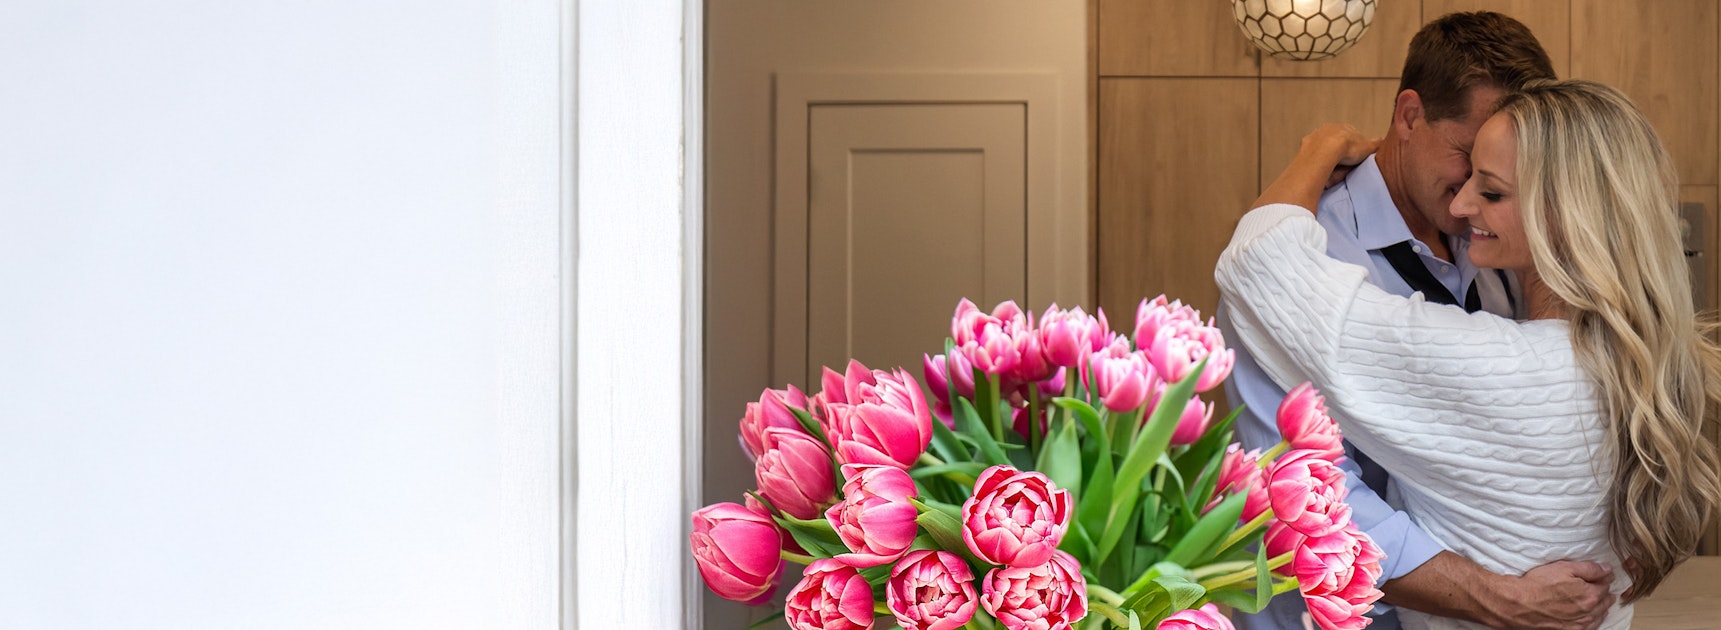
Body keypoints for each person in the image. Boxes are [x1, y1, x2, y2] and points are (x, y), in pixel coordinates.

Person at [1217, 80, 1721, 630]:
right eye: (1468, 167)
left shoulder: (1509, 366)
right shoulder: (1648, 359)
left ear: (1563, 214)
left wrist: (1320, 147)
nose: (1460, 205)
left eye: (1494, 191)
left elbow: (1256, 263)